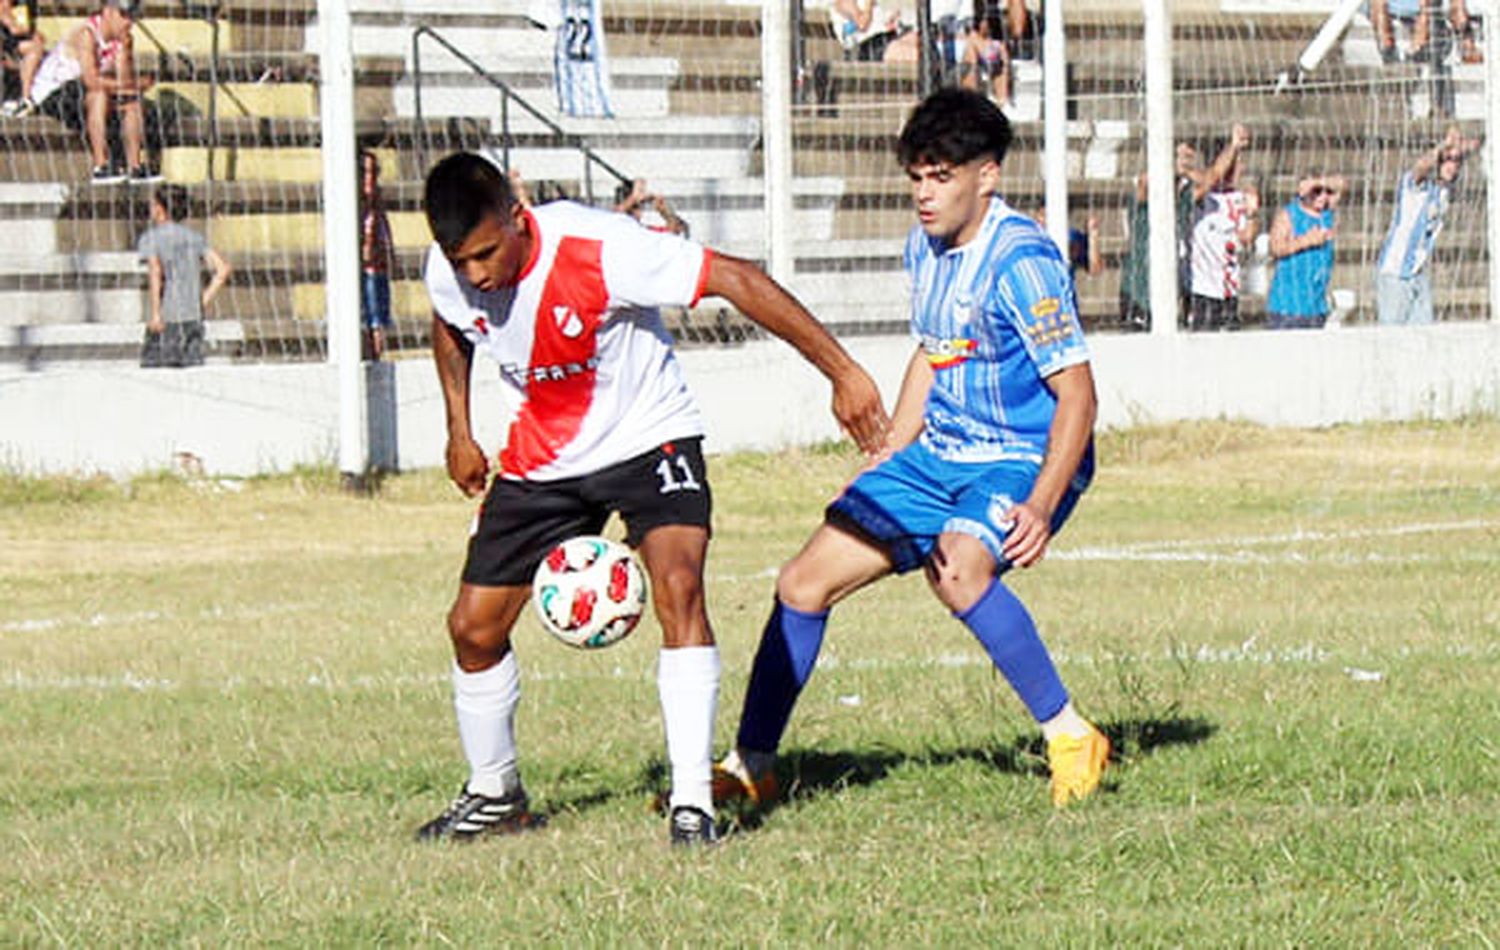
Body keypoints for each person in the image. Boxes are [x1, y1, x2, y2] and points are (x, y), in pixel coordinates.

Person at [415, 153, 888, 846]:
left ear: (518, 219)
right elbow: (452, 325)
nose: (478, 275)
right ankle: (496, 790)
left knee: (678, 586)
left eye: (487, 254)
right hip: (544, 457)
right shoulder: (450, 273)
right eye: (463, 263)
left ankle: (693, 802)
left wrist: (843, 373)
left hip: (649, 440)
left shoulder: (601, 247)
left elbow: (736, 277)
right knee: (472, 629)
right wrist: (459, 428)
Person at [711, 89, 1110, 815]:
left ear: (986, 177)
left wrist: (1044, 503)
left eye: (941, 177)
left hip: (1020, 454)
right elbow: (934, 351)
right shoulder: (922, 246)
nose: (924, 194)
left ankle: (1070, 734)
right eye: (916, 177)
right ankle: (753, 766)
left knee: (956, 569)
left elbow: (1078, 396)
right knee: (802, 581)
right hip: (940, 454)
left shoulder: (1022, 262)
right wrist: (894, 445)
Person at [29, 0, 155, 184]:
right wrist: (133, 84)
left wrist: (125, 52)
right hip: (54, 92)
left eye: (133, 17)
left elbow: (124, 80)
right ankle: (100, 166)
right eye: (124, 15)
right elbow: (91, 79)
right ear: (107, 12)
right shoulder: (86, 33)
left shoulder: (123, 38)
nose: (129, 22)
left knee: (132, 101)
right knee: (99, 94)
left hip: (82, 91)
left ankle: (135, 166)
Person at [1375, 126, 1478, 325]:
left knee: (1424, 339)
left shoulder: (1444, 192)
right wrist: (1445, 145)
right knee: (1392, 341)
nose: (1452, 166)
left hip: (1417, 274)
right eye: (1447, 159)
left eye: (1456, 161)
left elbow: (1474, 145)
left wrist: (1465, 146)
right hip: (1396, 274)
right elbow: (1420, 167)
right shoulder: (1417, 187)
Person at [137, 184, 232, 368]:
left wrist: (156, 314)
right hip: (193, 316)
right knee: (190, 371)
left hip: (169, 315)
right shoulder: (194, 237)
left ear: (159, 208)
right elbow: (223, 269)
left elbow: (156, 273)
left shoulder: (151, 238)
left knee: (157, 372)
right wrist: (202, 300)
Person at [1116, 142, 1205, 332]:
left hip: (1166, 295)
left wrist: (1185, 171)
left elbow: (1210, 180)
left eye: (1190, 159)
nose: (1186, 163)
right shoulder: (1146, 196)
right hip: (1137, 294)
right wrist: (1171, 165)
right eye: (1182, 158)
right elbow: (1143, 182)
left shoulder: (1182, 198)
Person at [1185, 123, 1259, 332]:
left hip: (1230, 291)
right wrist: (1233, 146)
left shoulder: (1239, 198)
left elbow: (1246, 238)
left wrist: (1253, 214)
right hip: (1203, 292)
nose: (1240, 169)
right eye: (1236, 162)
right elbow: (1213, 176)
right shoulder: (1201, 196)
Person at [1265, 174, 1344, 330]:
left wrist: (1318, 182)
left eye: (1326, 191)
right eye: (1316, 191)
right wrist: (1305, 241)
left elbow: (1341, 184)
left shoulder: (1327, 214)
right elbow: (1275, 248)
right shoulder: (1288, 215)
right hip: (1288, 306)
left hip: (1317, 306)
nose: (1323, 196)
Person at [359, 150, 395, 361]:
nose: (371, 179)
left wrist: (389, 250)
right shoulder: (355, 204)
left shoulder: (377, 200)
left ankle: (377, 358)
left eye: (375, 172)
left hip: (377, 267)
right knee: (369, 322)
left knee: (379, 322)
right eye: (365, 172)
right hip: (364, 271)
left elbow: (383, 225)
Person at [829, 0, 920, 63]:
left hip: (888, 37)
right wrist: (869, 3)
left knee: (921, 40)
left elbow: (878, 22)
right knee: (917, 54)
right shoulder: (844, 2)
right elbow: (862, 24)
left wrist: (891, 19)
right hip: (868, 47)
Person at [0, 0, 45, 117]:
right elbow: (16, 29)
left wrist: (32, 33)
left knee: (35, 47)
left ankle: (25, 99)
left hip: (10, 46)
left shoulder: (21, 4)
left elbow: (22, 28)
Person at [613, 177, 689, 237]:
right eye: (631, 208)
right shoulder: (611, 228)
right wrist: (634, 197)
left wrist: (664, 211)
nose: (635, 213)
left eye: (637, 207)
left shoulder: (646, 233)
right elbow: (616, 218)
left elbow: (677, 229)